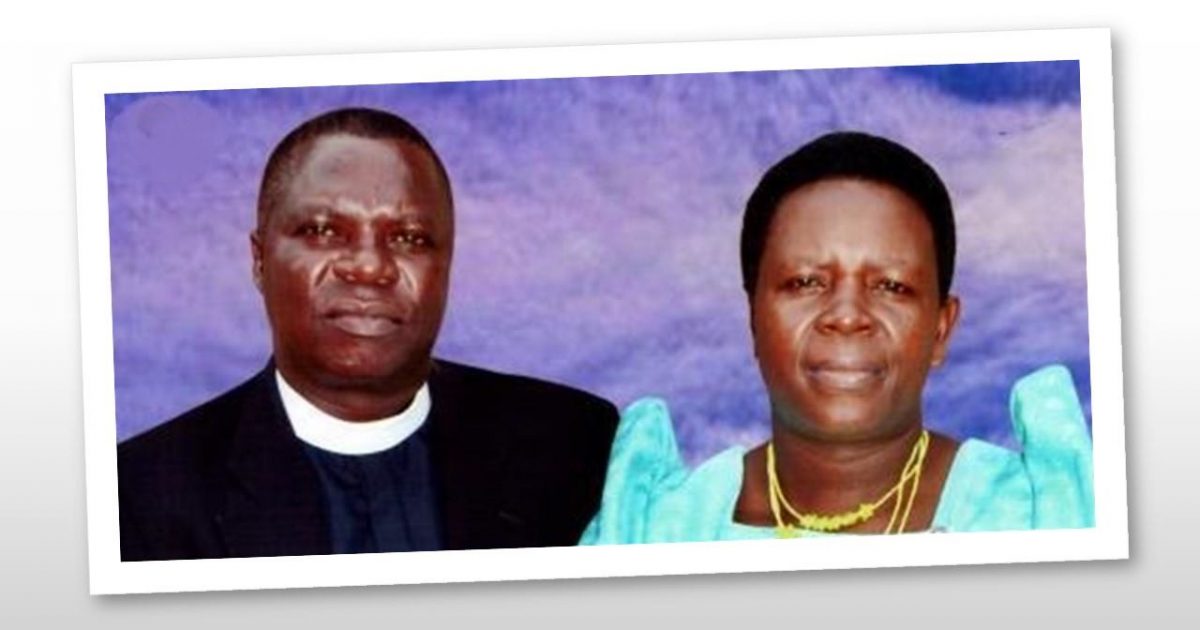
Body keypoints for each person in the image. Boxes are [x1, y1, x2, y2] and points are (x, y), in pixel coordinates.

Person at [118, 107, 619, 561]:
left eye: (409, 238)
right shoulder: (140, 497)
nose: (369, 267)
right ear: (260, 260)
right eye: (322, 231)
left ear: (446, 265)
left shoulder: (577, 444)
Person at [581, 131, 1094, 544]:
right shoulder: (651, 529)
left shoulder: (1047, 512)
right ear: (754, 318)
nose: (847, 316)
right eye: (806, 282)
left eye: (892, 286)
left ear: (941, 328)